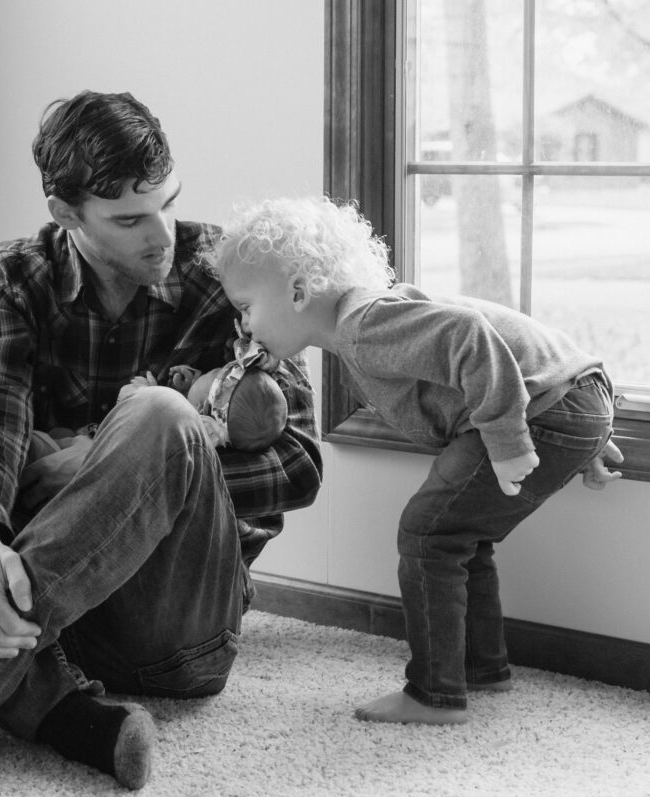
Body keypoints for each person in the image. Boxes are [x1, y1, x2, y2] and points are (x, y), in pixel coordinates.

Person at [0, 92, 322, 789]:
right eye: (129, 219)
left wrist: (140, 467)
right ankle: (66, 715)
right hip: (67, 621)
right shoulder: (10, 280)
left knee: (160, 417)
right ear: (65, 215)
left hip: (176, 632)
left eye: (168, 202)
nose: (161, 233)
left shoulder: (228, 276)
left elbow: (298, 465)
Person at [206, 194, 624, 726]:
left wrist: (510, 437)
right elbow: (503, 351)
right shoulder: (367, 320)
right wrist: (585, 432)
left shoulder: (363, 325)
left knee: (428, 534)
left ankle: (435, 694)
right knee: (458, 534)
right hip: (565, 399)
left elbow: (471, 339)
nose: (243, 327)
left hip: (550, 407)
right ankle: (480, 666)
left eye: (245, 307)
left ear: (297, 292)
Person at [120, 323, 289, 451]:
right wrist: (189, 389)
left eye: (211, 374)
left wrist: (148, 394)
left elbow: (156, 424)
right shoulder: (210, 425)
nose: (207, 372)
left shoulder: (183, 434)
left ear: (202, 407)